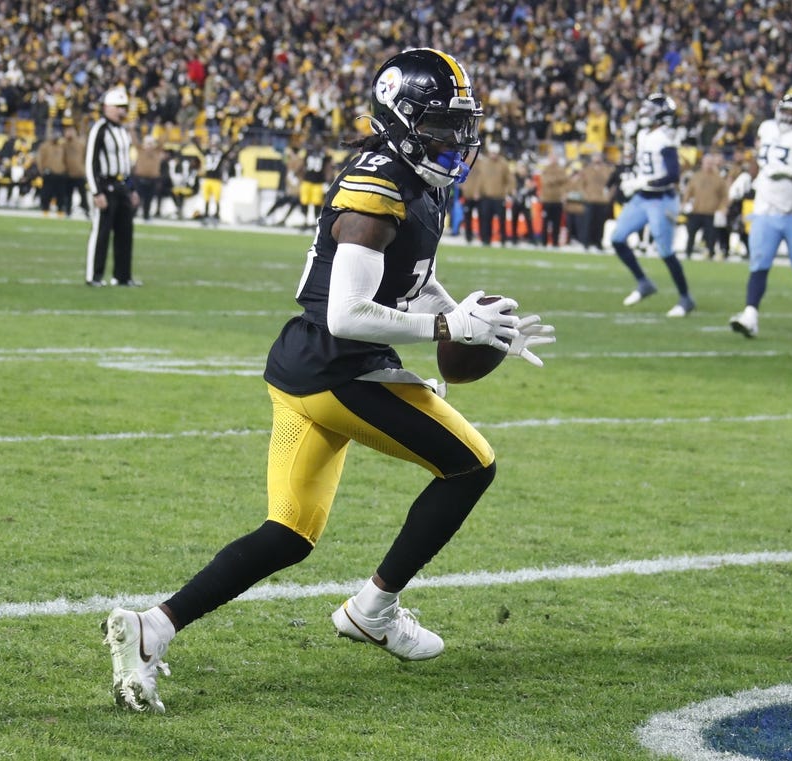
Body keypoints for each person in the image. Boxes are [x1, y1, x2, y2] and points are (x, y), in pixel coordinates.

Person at [102, 47, 556, 714]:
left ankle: (153, 627)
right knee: (472, 465)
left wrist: (463, 318)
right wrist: (443, 333)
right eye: (440, 126)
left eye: (461, 125)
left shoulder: (414, 180)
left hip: (302, 368)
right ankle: (375, 607)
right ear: (399, 119)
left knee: (288, 532)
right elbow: (347, 313)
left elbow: (414, 282)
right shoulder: (378, 188)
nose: (455, 140)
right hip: (343, 369)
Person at [728, 88, 792, 337]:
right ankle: (750, 315)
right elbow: (760, 160)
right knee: (759, 264)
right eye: (785, 110)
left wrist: (789, 171)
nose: (787, 116)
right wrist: (746, 175)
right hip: (765, 208)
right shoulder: (767, 128)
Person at [610, 93, 695, 318]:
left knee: (666, 252)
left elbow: (673, 175)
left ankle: (686, 298)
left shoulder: (665, 138)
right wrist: (634, 179)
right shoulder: (643, 135)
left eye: (650, 110)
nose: (644, 113)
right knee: (618, 239)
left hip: (662, 199)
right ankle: (643, 282)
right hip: (643, 198)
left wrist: (642, 181)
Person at [85, 87, 141, 287]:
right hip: (106, 185)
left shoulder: (123, 131)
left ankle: (123, 276)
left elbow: (126, 163)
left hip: (122, 185)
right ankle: (94, 276)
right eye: (118, 107)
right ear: (107, 107)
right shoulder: (99, 129)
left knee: (125, 233)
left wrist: (132, 188)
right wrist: (96, 191)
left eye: (124, 107)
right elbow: (90, 162)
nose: (122, 111)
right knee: (101, 232)